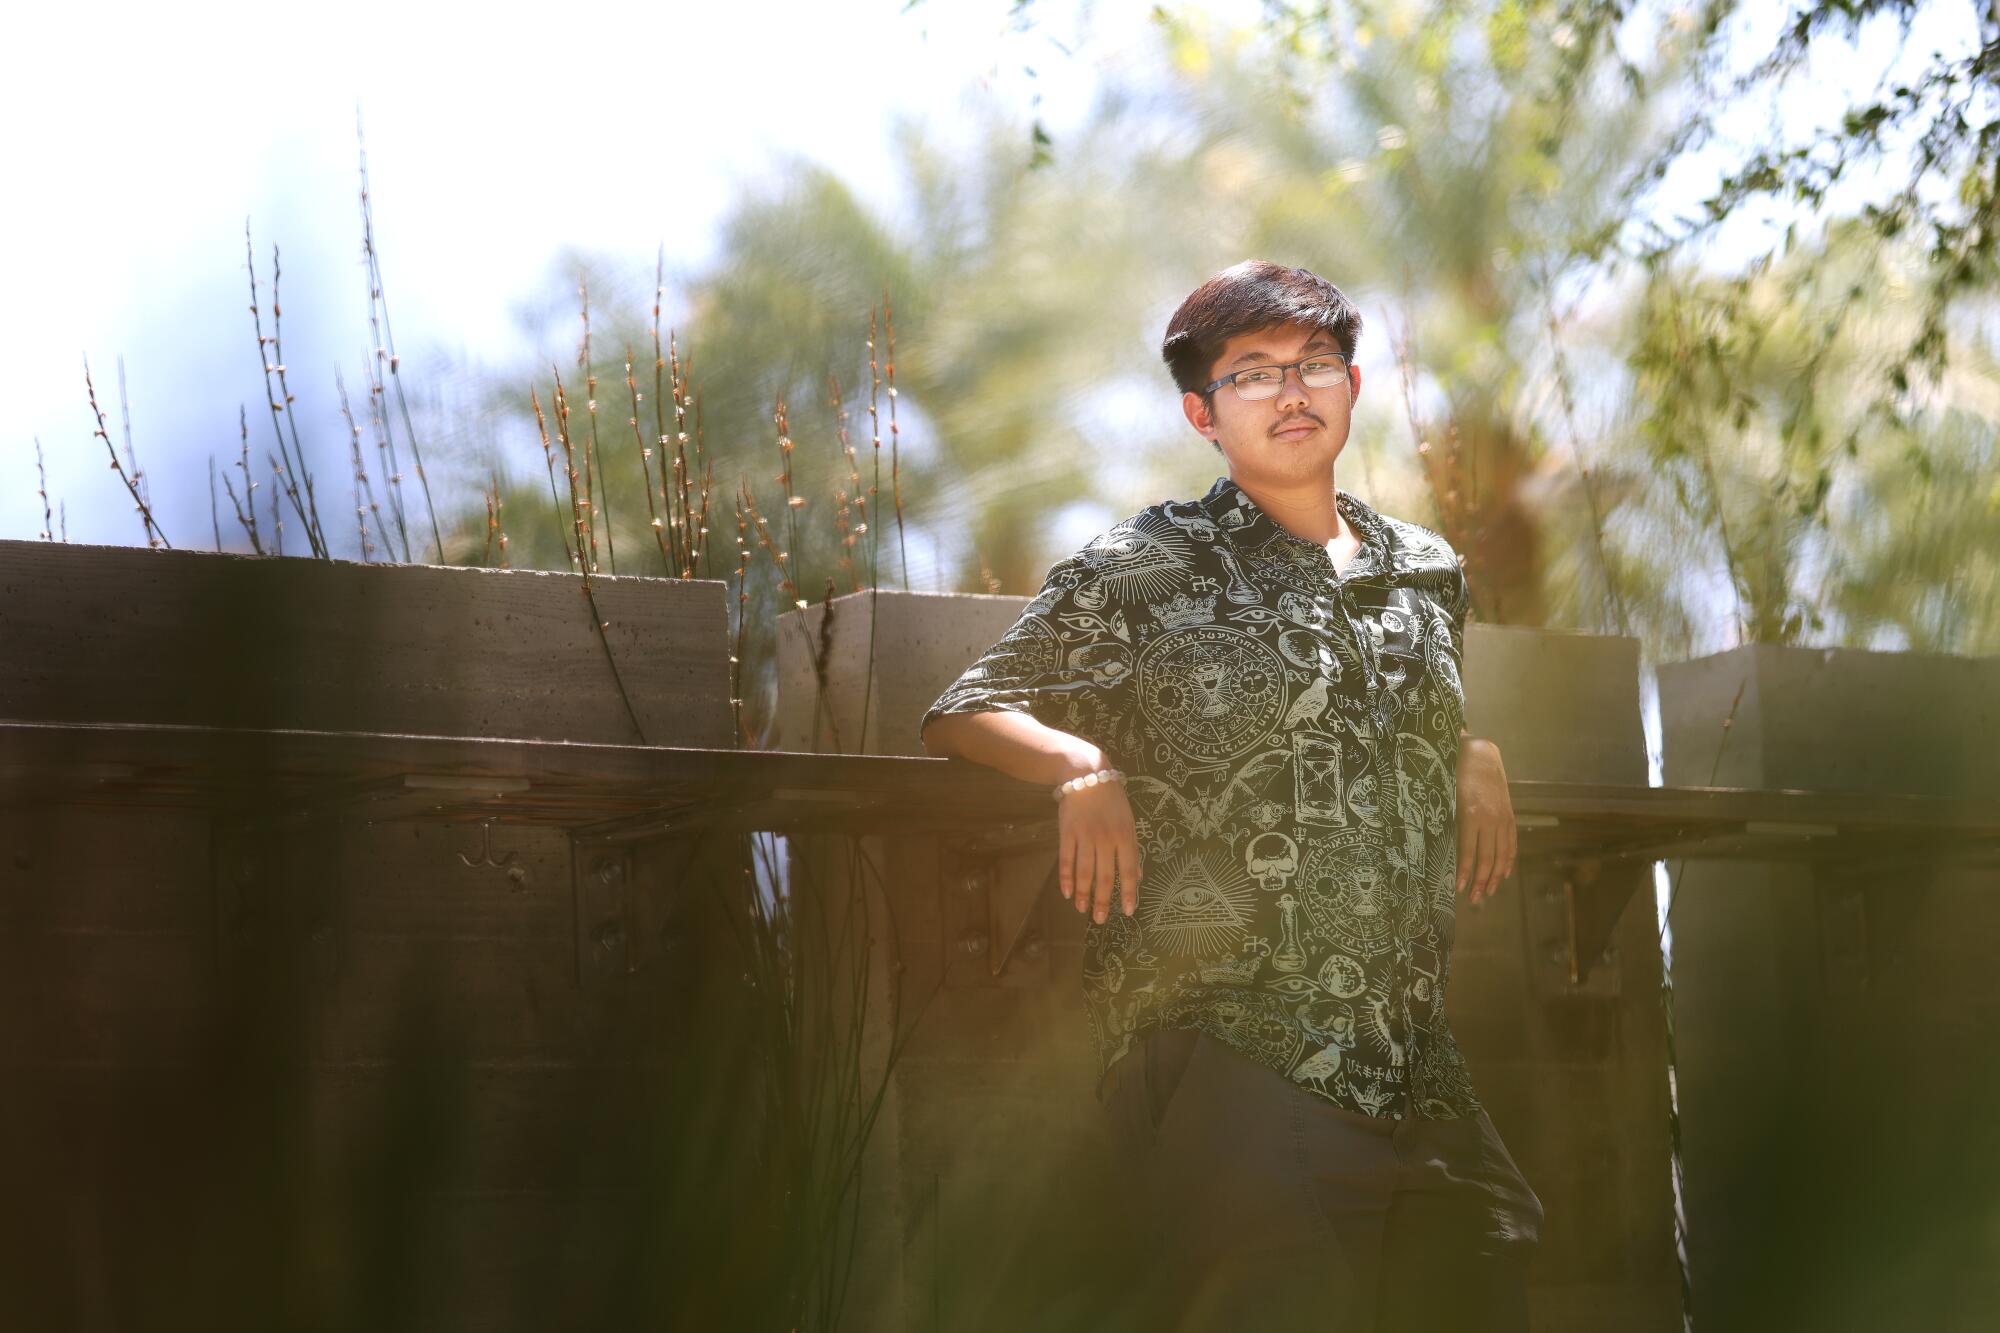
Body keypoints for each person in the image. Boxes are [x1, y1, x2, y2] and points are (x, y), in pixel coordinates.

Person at [918, 260, 1542, 1330]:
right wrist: (1078, 765)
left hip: (1415, 1060)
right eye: (1251, 374)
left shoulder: (1425, 568)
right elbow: (968, 705)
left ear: (1351, 385)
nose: (1291, 392)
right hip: (1237, 1046)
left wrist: (1470, 749)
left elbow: (1381, 712)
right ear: (1201, 414)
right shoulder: (1146, 561)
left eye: (1313, 365)